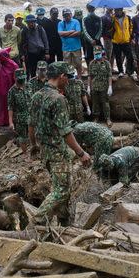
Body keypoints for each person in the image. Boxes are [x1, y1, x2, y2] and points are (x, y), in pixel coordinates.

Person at [30, 62, 91, 223]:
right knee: (62, 190)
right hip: (58, 152)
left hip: (45, 151)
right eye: (68, 77)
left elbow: (31, 124)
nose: (69, 81)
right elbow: (66, 132)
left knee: (60, 186)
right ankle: (37, 221)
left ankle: (64, 223)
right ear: (62, 76)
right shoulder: (58, 99)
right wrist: (81, 153)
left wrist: (34, 145)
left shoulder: (37, 95)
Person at [0, 48, 19, 128]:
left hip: (10, 91)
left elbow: (17, 80)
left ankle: (10, 122)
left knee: (9, 107)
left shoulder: (14, 66)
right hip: (0, 91)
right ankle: (0, 122)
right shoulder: (0, 65)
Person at [7, 69, 32, 153]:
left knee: (34, 134)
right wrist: (11, 122)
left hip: (31, 115)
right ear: (15, 78)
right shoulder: (12, 91)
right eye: (19, 79)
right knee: (23, 137)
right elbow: (10, 107)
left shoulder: (29, 86)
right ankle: (25, 153)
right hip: (20, 118)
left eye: (23, 78)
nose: (22, 81)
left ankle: (34, 152)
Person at [88, 49, 113, 126]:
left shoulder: (106, 63)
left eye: (98, 54)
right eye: (95, 54)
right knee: (95, 103)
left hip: (104, 86)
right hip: (94, 87)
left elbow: (109, 75)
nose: (96, 55)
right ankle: (96, 118)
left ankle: (108, 118)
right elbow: (90, 76)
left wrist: (110, 86)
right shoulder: (92, 63)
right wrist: (88, 86)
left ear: (102, 54)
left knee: (105, 103)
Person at [58, 8, 83, 78]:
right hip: (66, 48)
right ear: (63, 16)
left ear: (71, 15)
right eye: (65, 15)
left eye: (68, 15)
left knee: (78, 64)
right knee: (66, 65)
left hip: (76, 47)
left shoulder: (76, 22)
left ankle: (79, 78)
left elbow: (78, 32)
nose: (67, 17)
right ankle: (68, 79)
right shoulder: (61, 23)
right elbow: (60, 33)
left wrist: (66, 35)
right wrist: (72, 31)